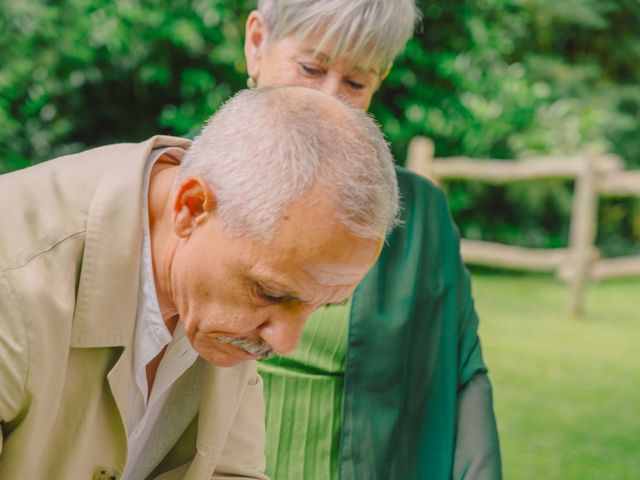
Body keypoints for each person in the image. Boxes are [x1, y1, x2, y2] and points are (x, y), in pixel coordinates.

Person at [0, 86, 399, 480]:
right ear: (190, 208)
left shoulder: (226, 283)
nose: (286, 342)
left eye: (319, 307)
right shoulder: (13, 276)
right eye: (272, 293)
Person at [243, 1, 503, 479]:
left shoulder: (418, 217)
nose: (329, 99)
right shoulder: (179, 186)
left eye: (356, 82)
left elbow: (463, 378)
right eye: (311, 68)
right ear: (257, 43)